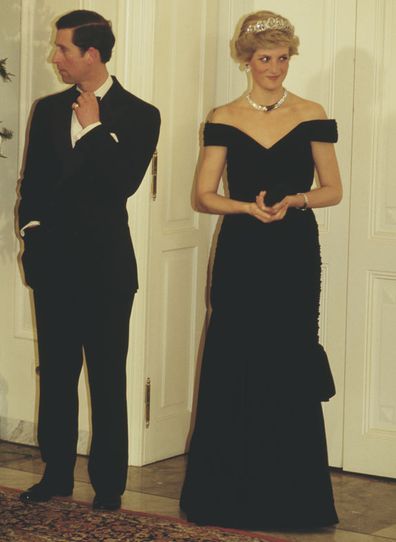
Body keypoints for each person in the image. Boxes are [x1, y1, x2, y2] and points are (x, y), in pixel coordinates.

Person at [180, 10, 342, 530]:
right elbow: (204, 196)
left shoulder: (312, 111)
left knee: (288, 359)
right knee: (236, 357)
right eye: (265, 58)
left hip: (293, 248)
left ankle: (294, 500)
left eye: (282, 58)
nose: (275, 68)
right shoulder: (224, 116)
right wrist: (246, 207)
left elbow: (333, 190)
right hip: (243, 249)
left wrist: (297, 199)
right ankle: (224, 496)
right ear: (247, 61)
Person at [17, 10, 160, 510]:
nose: (55, 58)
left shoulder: (141, 114)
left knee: (106, 375)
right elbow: (31, 184)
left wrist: (97, 129)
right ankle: (55, 474)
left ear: (92, 54)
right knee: (55, 374)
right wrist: (31, 234)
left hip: (106, 270)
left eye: (63, 50)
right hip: (53, 265)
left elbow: (123, 182)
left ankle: (108, 487)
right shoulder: (47, 108)